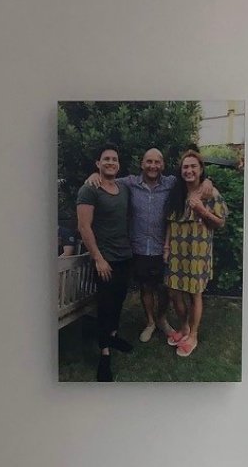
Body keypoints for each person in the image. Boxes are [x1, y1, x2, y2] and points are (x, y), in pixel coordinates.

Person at [83, 147, 179, 343]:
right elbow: (107, 179)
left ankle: (162, 319)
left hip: (164, 247)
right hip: (139, 247)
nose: (153, 166)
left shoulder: (171, 183)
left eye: (157, 162)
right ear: (142, 164)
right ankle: (150, 322)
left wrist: (208, 183)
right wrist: (94, 175)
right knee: (145, 287)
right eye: (149, 161)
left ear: (163, 165)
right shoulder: (129, 183)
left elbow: (193, 182)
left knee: (166, 288)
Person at [74, 143, 136, 381]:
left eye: (114, 159)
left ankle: (113, 336)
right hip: (105, 260)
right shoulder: (89, 189)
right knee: (105, 305)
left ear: (118, 164)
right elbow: (84, 227)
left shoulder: (123, 188)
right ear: (98, 163)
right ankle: (104, 355)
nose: (111, 162)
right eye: (106, 159)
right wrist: (98, 259)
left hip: (124, 256)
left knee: (119, 301)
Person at [164, 149, 227, 360]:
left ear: (200, 169)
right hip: (176, 252)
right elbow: (170, 223)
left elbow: (220, 223)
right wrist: (166, 247)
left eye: (193, 166)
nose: (189, 170)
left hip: (197, 252)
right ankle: (184, 327)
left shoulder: (210, 193)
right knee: (174, 292)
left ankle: (193, 335)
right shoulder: (177, 193)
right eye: (185, 167)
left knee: (195, 294)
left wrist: (201, 210)